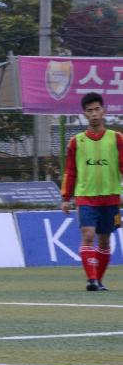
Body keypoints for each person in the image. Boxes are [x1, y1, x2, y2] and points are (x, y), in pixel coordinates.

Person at [61, 92, 123, 291]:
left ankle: (99, 280)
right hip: (85, 198)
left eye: (97, 109)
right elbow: (70, 171)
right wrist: (65, 198)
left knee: (105, 239)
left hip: (111, 199)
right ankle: (91, 280)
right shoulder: (76, 141)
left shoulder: (117, 138)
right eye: (90, 111)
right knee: (88, 235)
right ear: (84, 114)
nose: (94, 114)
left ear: (103, 111)